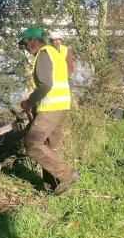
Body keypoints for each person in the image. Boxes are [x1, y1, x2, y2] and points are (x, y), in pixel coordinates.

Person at [18, 27, 80, 196]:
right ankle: (51, 187)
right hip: (61, 106)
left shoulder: (43, 54)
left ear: (33, 40)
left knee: (32, 143)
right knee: (49, 147)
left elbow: (46, 85)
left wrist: (29, 102)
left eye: (25, 44)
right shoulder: (54, 53)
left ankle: (67, 174)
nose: (25, 48)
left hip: (51, 108)